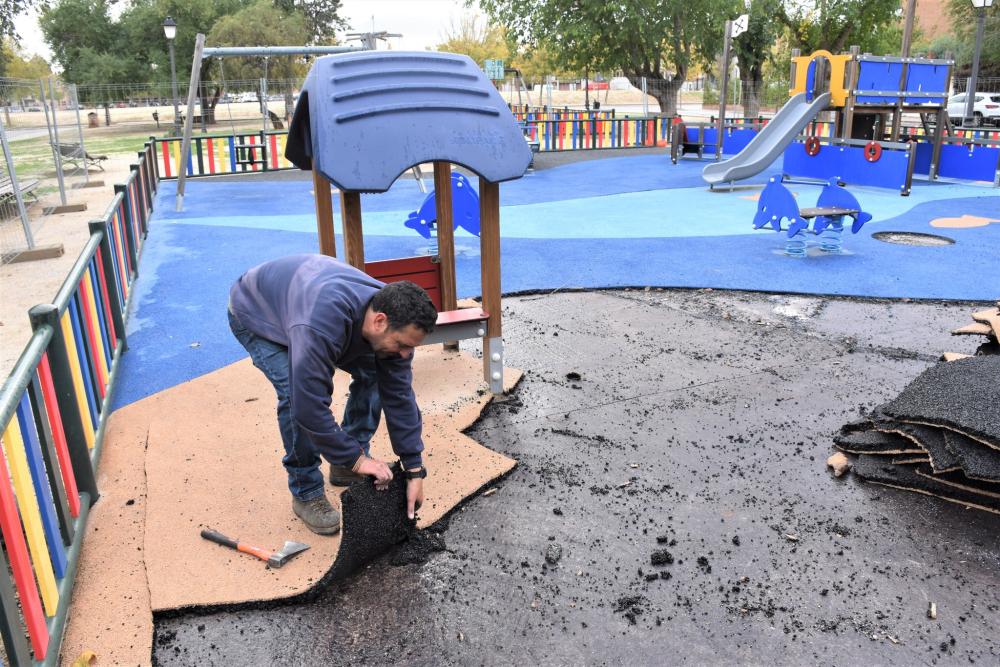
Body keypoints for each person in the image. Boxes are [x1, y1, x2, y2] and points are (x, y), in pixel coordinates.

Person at [227, 254, 438, 535]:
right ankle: (306, 490)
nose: (405, 354)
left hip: (302, 302)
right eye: (401, 345)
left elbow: (399, 396)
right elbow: (309, 406)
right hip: (259, 311)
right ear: (379, 321)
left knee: (376, 373)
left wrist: (414, 469)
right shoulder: (320, 323)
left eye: (411, 347)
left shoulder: (395, 320)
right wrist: (360, 460)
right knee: (294, 395)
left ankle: (345, 464)